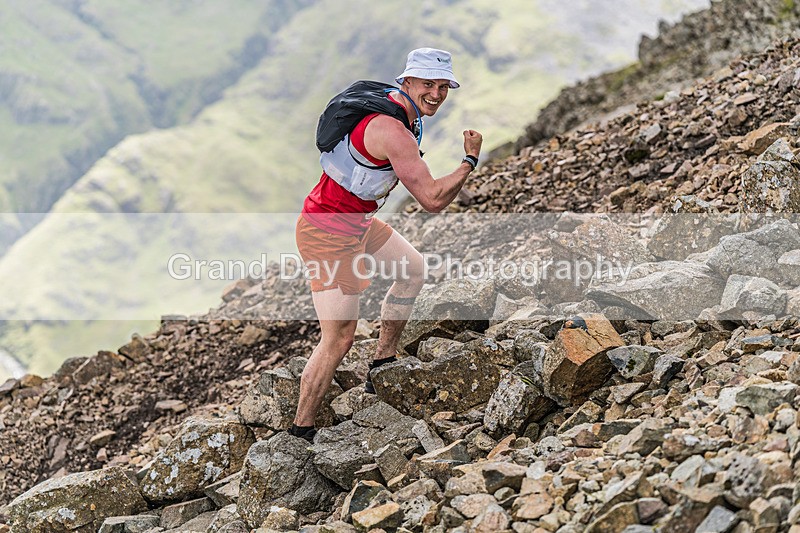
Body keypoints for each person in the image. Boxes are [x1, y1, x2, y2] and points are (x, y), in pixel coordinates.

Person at [290, 48, 483, 442]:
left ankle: (383, 363)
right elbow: (431, 200)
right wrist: (469, 161)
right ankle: (300, 430)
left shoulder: (406, 115)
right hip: (326, 232)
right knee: (339, 337)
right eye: (428, 83)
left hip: (357, 223)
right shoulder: (392, 129)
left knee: (412, 270)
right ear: (406, 82)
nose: (436, 93)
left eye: (443, 85)